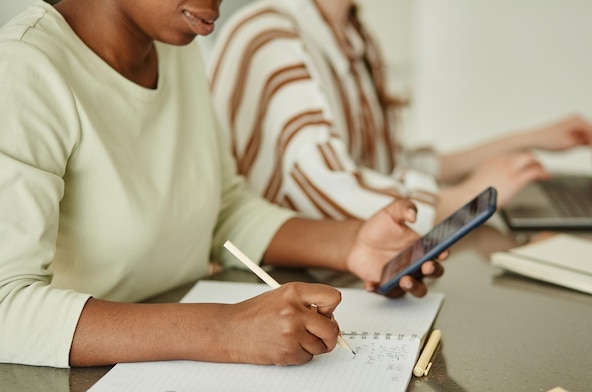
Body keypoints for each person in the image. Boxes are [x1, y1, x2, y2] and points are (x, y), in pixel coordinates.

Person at [0, 0, 447, 368]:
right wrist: (224, 330)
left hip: (170, 362)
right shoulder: (24, 68)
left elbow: (222, 207)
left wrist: (352, 244)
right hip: (66, 385)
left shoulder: (177, 44)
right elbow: (7, 310)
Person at [206, 0, 592, 235]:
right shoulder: (270, 34)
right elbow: (326, 190)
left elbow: (385, 165)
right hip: (273, 280)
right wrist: (467, 199)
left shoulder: (353, 37)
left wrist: (527, 138)